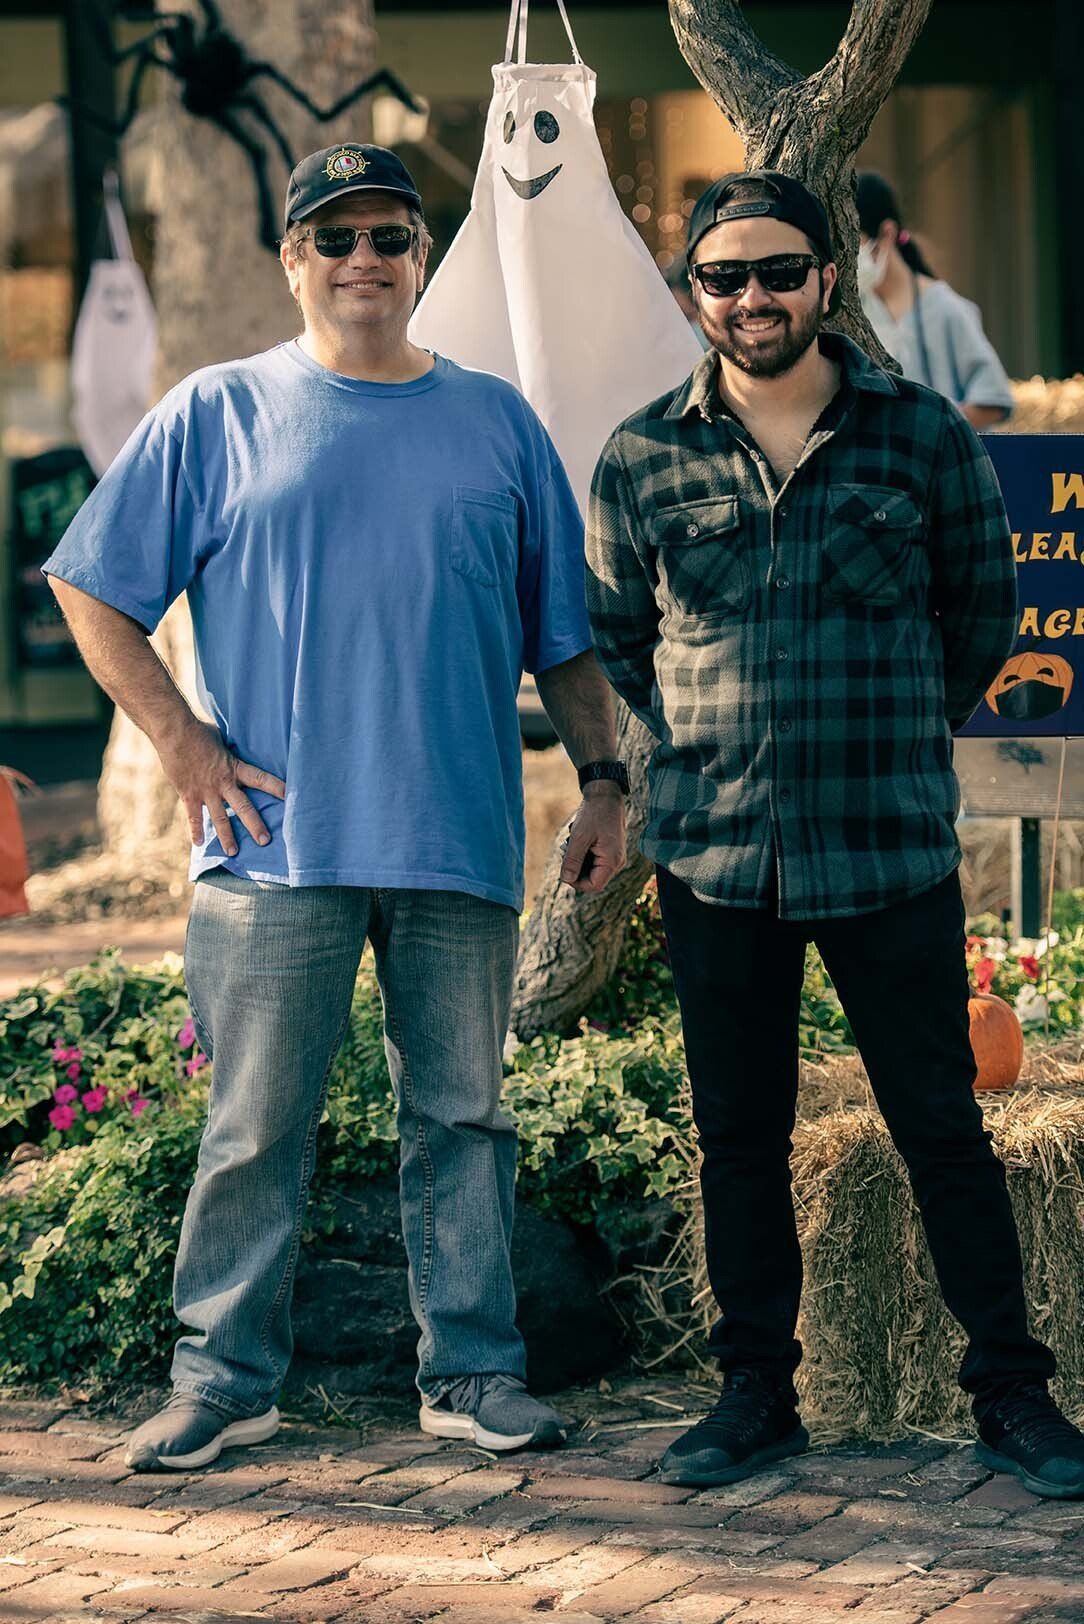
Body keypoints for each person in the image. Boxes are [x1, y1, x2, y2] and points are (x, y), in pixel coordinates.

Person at [44, 143, 627, 1472]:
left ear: (422, 260)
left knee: (464, 1119)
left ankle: (472, 1374)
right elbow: (92, 586)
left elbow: (568, 642)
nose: (365, 258)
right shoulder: (217, 410)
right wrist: (184, 744)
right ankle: (223, 1378)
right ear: (293, 261)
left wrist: (603, 783)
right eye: (337, 236)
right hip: (268, 846)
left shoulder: (497, 422)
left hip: (455, 834)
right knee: (254, 1124)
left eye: (390, 236)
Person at [585, 168, 1084, 1499]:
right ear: (697, 295)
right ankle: (758, 1396)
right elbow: (621, 639)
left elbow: (984, 623)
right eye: (724, 277)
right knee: (736, 1135)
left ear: (831, 279)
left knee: (939, 1123)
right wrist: (703, 748)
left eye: (779, 271)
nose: (752, 298)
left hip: (886, 850)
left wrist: (887, 734)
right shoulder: (643, 456)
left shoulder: (923, 439)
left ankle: (1012, 1396)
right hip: (716, 857)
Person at [856, 171, 1013, 428]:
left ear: (887, 234)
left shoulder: (944, 309)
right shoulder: (858, 310)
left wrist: (933, 430)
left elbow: (993, 401)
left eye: (855, 244)